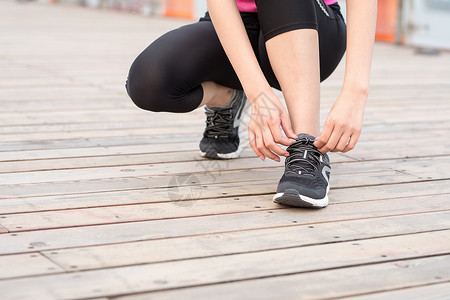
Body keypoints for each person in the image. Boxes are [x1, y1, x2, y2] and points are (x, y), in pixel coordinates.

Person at [126, 0, 377, 208]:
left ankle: (307, 147)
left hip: (311, 24)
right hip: (238, 23)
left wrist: (355, 93)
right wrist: (257, 94)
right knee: (150, 83)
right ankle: (227, 98)